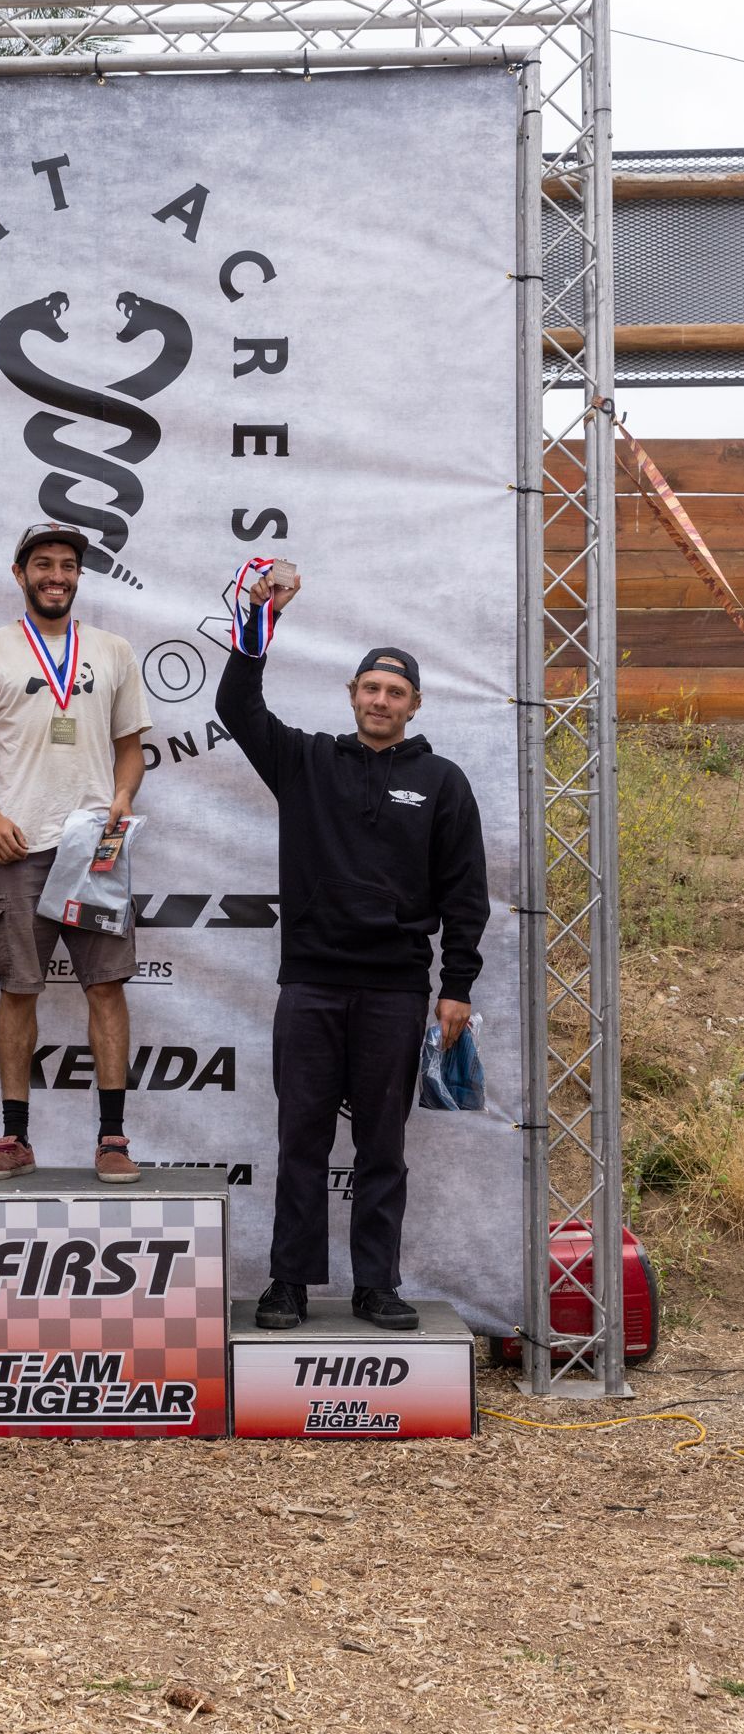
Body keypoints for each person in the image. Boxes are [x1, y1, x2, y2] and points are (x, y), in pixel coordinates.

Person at [215, 570, 489, 1331]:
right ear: (350, 693)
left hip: (395, 990)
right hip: (309, 984)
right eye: (369, 687)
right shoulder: (305, 761)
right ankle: (289, 1284)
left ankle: (377, 1284)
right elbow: (235, 706)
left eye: (394, 692)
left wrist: (455, 985)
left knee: (381, 1147)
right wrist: (258, 622)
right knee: (300, 1139)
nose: (380, 700)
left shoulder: (441, 783)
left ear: (413, 705)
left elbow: (466, 895)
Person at [0, 521, 152, 1182]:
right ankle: (14, 1140)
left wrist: (121, 797)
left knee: (106, 988)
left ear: (77, 576)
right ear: (19, 573)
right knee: (18, 988)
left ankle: (113, 1140)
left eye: (66, 564)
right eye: (43, 563)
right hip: (19, 847)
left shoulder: (114, 650)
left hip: (94, 847)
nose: (55, 574)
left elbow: (130, 744)